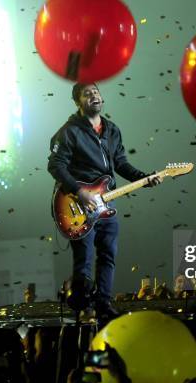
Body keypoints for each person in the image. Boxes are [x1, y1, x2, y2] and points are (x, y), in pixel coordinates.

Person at [48, 83, 161, 319]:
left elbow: (120, 164)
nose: (94, 96)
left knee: (108, 254)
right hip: (80, 204)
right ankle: (82, 300)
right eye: (87, 94)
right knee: (85, 259)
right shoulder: (69, 132)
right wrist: (79, 192)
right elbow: (55, 165)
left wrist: (145, 178)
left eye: (96, 92)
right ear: (78, 102)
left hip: (107, 203)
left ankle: (103, 303)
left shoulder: (112, 130)